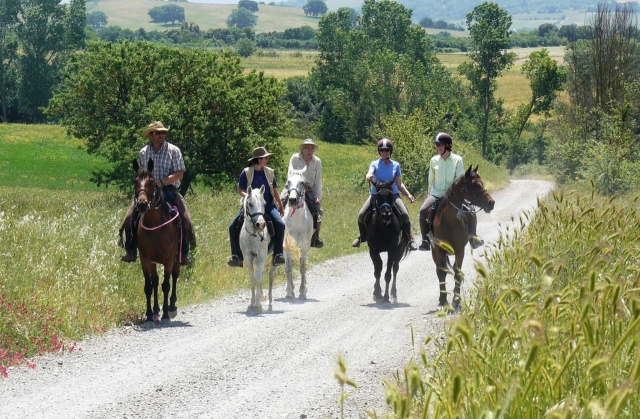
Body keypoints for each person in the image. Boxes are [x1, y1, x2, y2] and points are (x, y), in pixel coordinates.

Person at [120, 121, 196, 265]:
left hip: (169, 190)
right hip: (147, 192)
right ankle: (130, 251)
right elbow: (141, 175)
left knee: (186, 220)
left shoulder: (174, 150)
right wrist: (145, 188)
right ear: (151, 135)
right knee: (129, 219)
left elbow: (179, 174)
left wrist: (160, 182)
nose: (161, 135)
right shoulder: (143, 153)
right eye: (158, 133)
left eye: (163, 133)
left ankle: (184, 253)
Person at [418, 132, 484, 251]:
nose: (438, 148)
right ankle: (425, 240)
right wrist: (430, 195)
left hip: (453, 196)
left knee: (471, 211)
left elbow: (459, 179)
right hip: (436, 194)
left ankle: (473, 238)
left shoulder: (457, 160)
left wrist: (454, 194)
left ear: (448, 146)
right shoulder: (434, 160)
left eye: (440, 145)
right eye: (437, 145)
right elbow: (431, 180)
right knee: (423, 210)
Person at [351, 138, 418, 250]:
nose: (384, 152)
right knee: (361, 214)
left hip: (392, 195)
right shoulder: (375, 164)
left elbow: (399, 184)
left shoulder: (396, 165)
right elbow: (371, 172)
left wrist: (408, 194)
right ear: (379, 151)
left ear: (390, 151)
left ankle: (409, 239)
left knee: (405, 214)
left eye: (387, 150)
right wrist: (368, 175)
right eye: (382, 150)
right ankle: (362, 236)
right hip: (376, 194)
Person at [227, 146, 286, 268]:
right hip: (251, 206)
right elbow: (240, 190)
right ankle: (236, 256)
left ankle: (278, 254)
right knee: (232, 226)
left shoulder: (270, 172)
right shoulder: (246, 172)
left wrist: (280, 206)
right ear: (259, 159)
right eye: (265, 158)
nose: (267, 159)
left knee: (280, 224)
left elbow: (275, 191)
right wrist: (250, 197)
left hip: (267, 205)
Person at [281, 138, 324, 248]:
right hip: (293, 187)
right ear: (302, 149)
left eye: (312, 148)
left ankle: (315, 237)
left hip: (308, 190)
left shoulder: (317, 161)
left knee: (318, 212)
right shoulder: (295, 158)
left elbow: (318, 180)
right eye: (307, 148)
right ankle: (277, 235)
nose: (309, 150)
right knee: (279, 204)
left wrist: (318, 196)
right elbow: (289, 174)